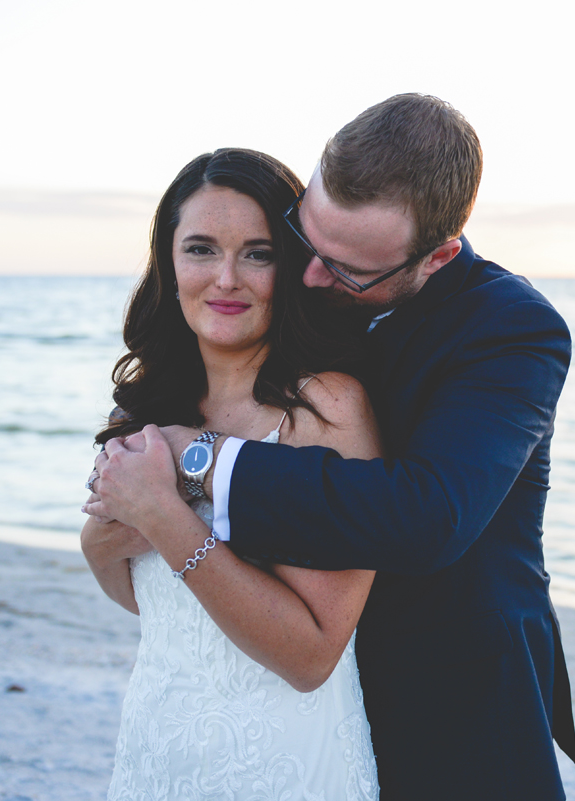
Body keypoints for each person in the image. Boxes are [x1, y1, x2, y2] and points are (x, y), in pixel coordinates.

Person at [89, 94, 575, 799]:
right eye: (303, 240)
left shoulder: (509, 330)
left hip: (448, 693)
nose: (310, 278)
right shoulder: (292, 300)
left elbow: (427, 518)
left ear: (436, 255)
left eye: (346, 267)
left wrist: (196, 467)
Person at [81, 148, 382, 800]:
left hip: (282, 763)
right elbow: (131, 589)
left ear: (296, 263)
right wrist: (117, 524)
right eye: (200, 249)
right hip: (154, 752)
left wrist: (163, 512)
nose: (225, 278)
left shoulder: (325, 409)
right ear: (169, 261)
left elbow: (310, 655)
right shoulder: (146, 405)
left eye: (257, 252)